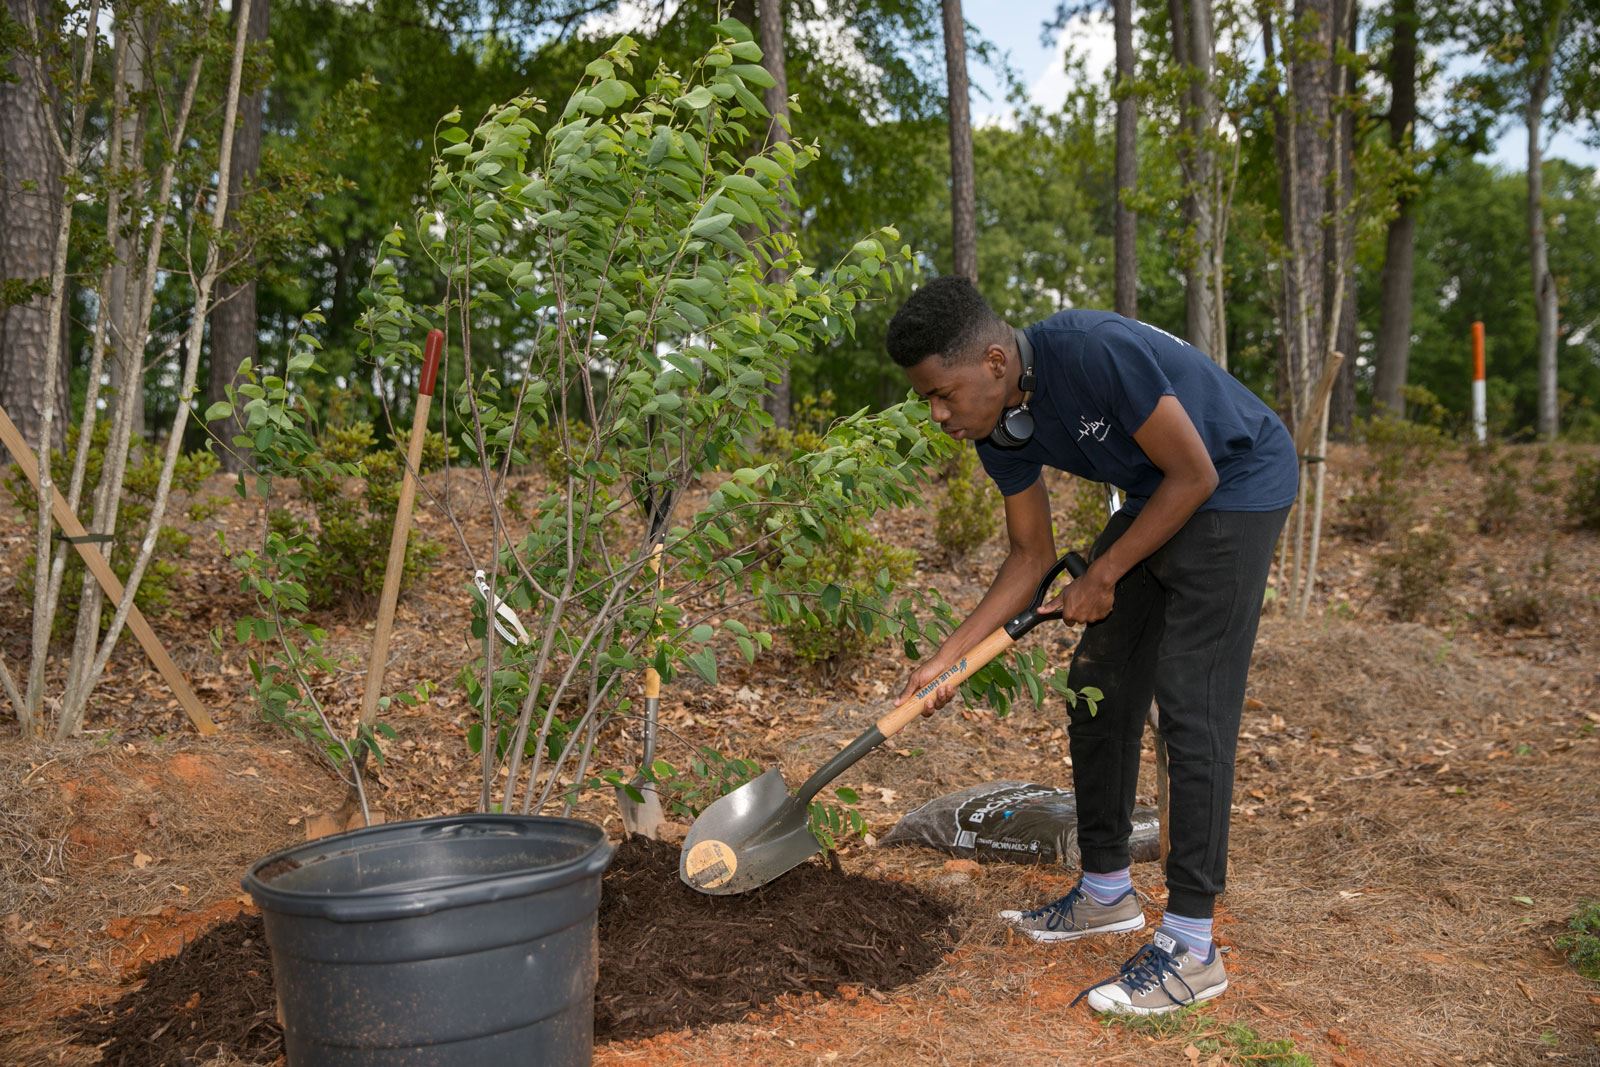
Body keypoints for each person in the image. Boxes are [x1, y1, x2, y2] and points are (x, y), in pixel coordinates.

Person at [887, 276, 1297, 1016]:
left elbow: (1196, 471)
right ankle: (1107, 889)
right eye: (926, 399)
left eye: (942, 392)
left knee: (1191, 699)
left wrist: (1105, 572)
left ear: (992, 360)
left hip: (1237, 477)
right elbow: (1029, 557)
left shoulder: (1094, 352)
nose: (939, 413)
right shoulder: (999, 427)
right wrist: (949, 654)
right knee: (1100, 682)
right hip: (1160, 492)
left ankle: (1193, 946)